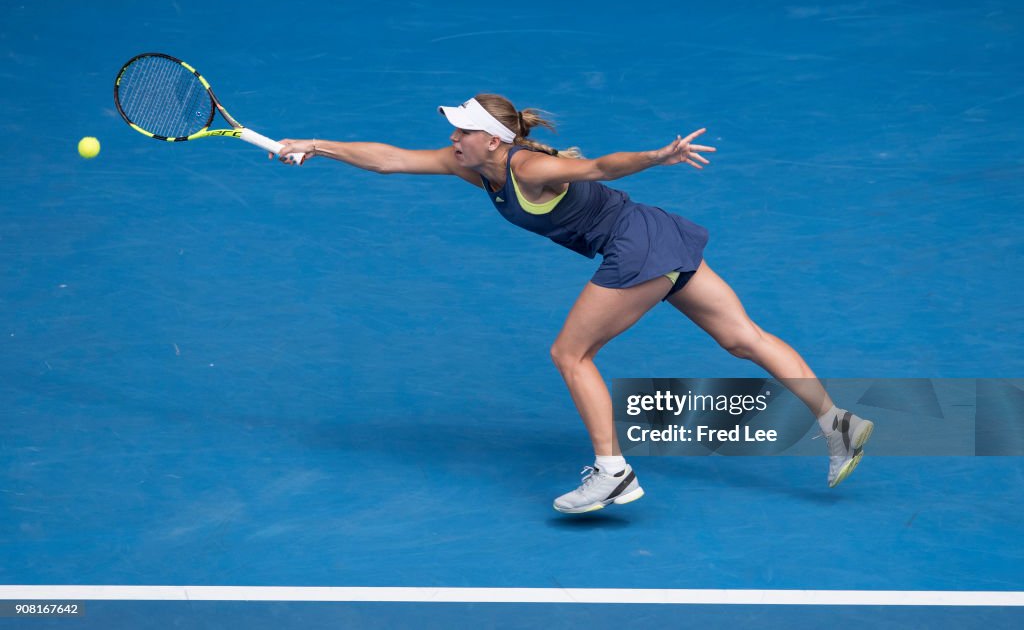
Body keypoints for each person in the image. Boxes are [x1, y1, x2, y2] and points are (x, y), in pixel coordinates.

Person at [271, 94, 874, 514]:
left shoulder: (530, 166)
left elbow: (601, 166)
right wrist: (314, 144)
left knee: (570, 353)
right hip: (653, 234)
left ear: (494, 139)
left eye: (462, 130)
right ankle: (839, 422)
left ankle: (613, 474)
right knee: (744, 338)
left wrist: (656, 157)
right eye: (453, 129)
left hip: (633, 246)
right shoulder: (473, 169)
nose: (452, 138)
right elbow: (389, 159)